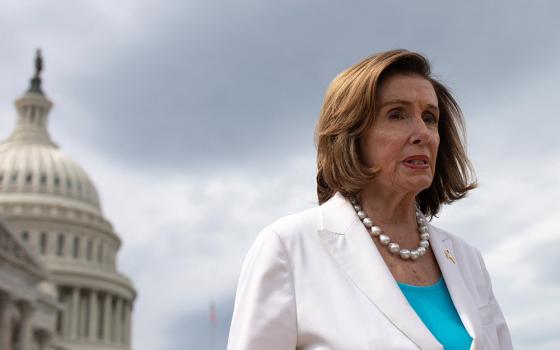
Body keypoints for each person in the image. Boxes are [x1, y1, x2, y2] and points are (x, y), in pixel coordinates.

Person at [227, 49, 513, 350]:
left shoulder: (468, 260)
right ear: (351, 136)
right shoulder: (287, 247)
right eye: (397, 115)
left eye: (429, 118)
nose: (422, 134)